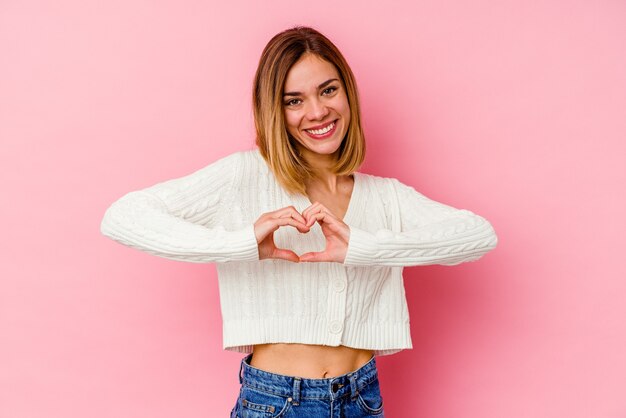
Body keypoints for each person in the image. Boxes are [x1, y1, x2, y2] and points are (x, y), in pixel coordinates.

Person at [100, 26, 498, 418]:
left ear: (347, 92)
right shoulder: (245, 177)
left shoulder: (385, 196)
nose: (318, 111)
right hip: (277, 402)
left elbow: (477, 234)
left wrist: (363, 248)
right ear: (275, 110)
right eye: (294, 100)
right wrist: (242, 243)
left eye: (328, 90)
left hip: (362, 400)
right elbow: (123, 216)